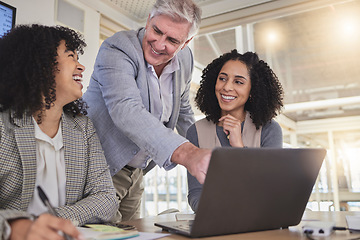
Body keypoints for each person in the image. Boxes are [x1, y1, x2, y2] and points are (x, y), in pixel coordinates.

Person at [83, 0, 211, 221]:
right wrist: (189, 154)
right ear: (149, 19)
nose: (159, 44)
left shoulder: (186, 59)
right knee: (97, 235)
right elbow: (126, 110)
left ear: (186, 42)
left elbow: (183, 112)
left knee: (131, 234)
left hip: (138, 172)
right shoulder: (117, 48)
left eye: (172, 40)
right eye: (157, 30)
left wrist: (206, 154)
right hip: (101, 169)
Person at [0, 24, 119, 240]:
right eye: (71, 56)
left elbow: (107, 198)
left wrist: (52, 219)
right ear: (42, 65)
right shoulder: (2, 126)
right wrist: (17, 227)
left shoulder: (82, 128)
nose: (81, 66)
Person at [186, 50, 284, 212]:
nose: (227, 87)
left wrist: (238, 147)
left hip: (260, 222)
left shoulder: (269, 130)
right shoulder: (196, 132)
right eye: (222, 79)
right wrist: (216, 211)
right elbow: (196, 192)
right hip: (214, 221)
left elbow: (269, 190)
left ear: (252, 90)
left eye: (238, 82)